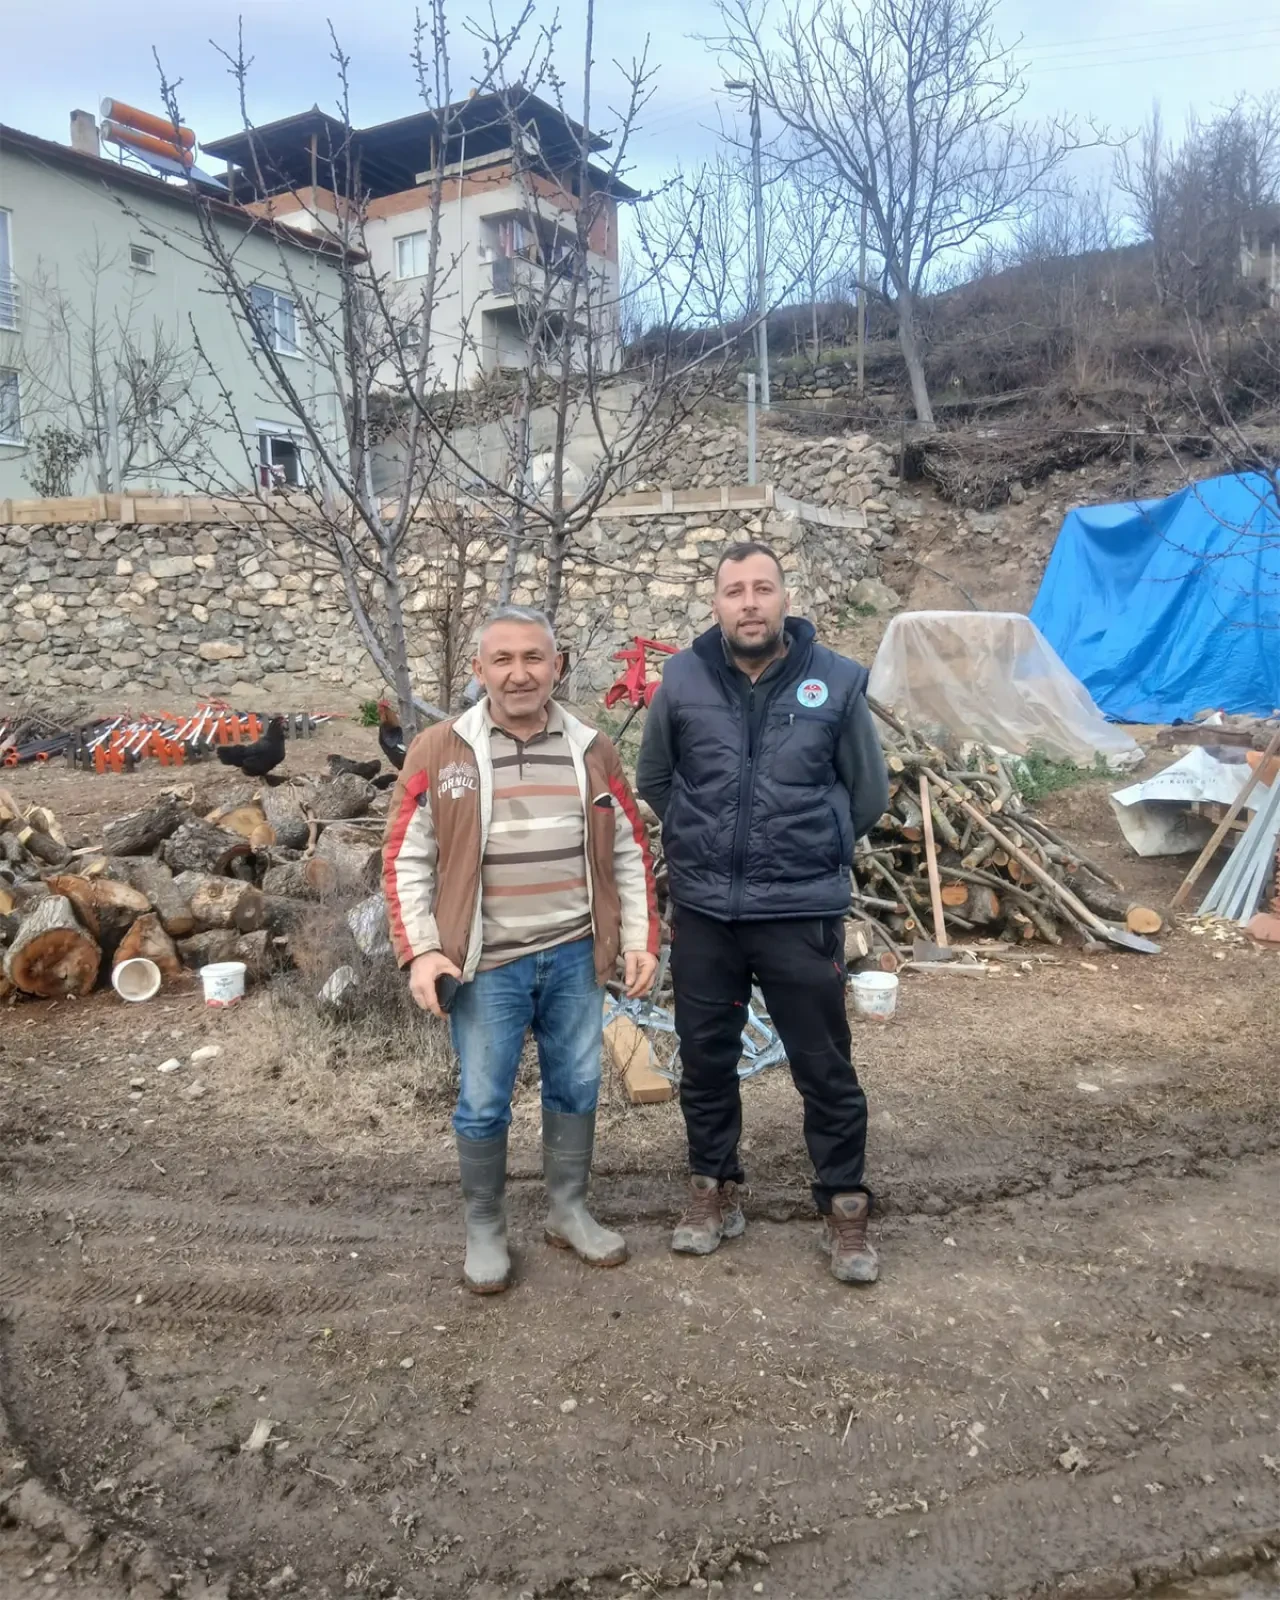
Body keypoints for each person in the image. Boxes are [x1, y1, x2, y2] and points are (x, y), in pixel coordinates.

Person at [384, 606, 659, 1294]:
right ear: (477, 670)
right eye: (501, 660)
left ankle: (567, 1210)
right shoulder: (439, 750)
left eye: (534, 658)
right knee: (482, 1102)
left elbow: (628, 845)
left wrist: (637, 940)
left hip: (575, 957)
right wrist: (421, 951)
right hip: (486, 967)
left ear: (558, 665)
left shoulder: (593, 748)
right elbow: (403, 857)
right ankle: (485, 1227)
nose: (519, 673)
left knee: (578, 1085)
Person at [636, 543, 890, 1284]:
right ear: (714, 604)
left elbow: (867, 792)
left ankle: (845, 1208)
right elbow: (655, 773)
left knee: (823, 1064)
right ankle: (713, 1191)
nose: (749, 603)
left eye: (763, 589)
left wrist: (820, 841)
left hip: (800, 912)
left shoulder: (835, 681)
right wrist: (698, 836)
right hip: (708, 912)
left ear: (786, 599)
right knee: (707, 1060)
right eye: (734, 591)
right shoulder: (682, 678)